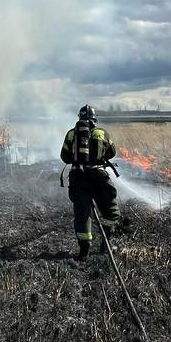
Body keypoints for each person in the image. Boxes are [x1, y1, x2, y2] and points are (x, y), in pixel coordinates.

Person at [60, 105, 119, 259]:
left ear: (79, 117)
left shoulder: (71, 134)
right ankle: (104, 246)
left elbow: (64, 157)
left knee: (82, 214)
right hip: (99, 177)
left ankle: (84, 251)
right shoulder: (102, 133)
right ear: (94, 118)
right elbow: (112, 153)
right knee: (110, 210)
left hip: (78, 178)